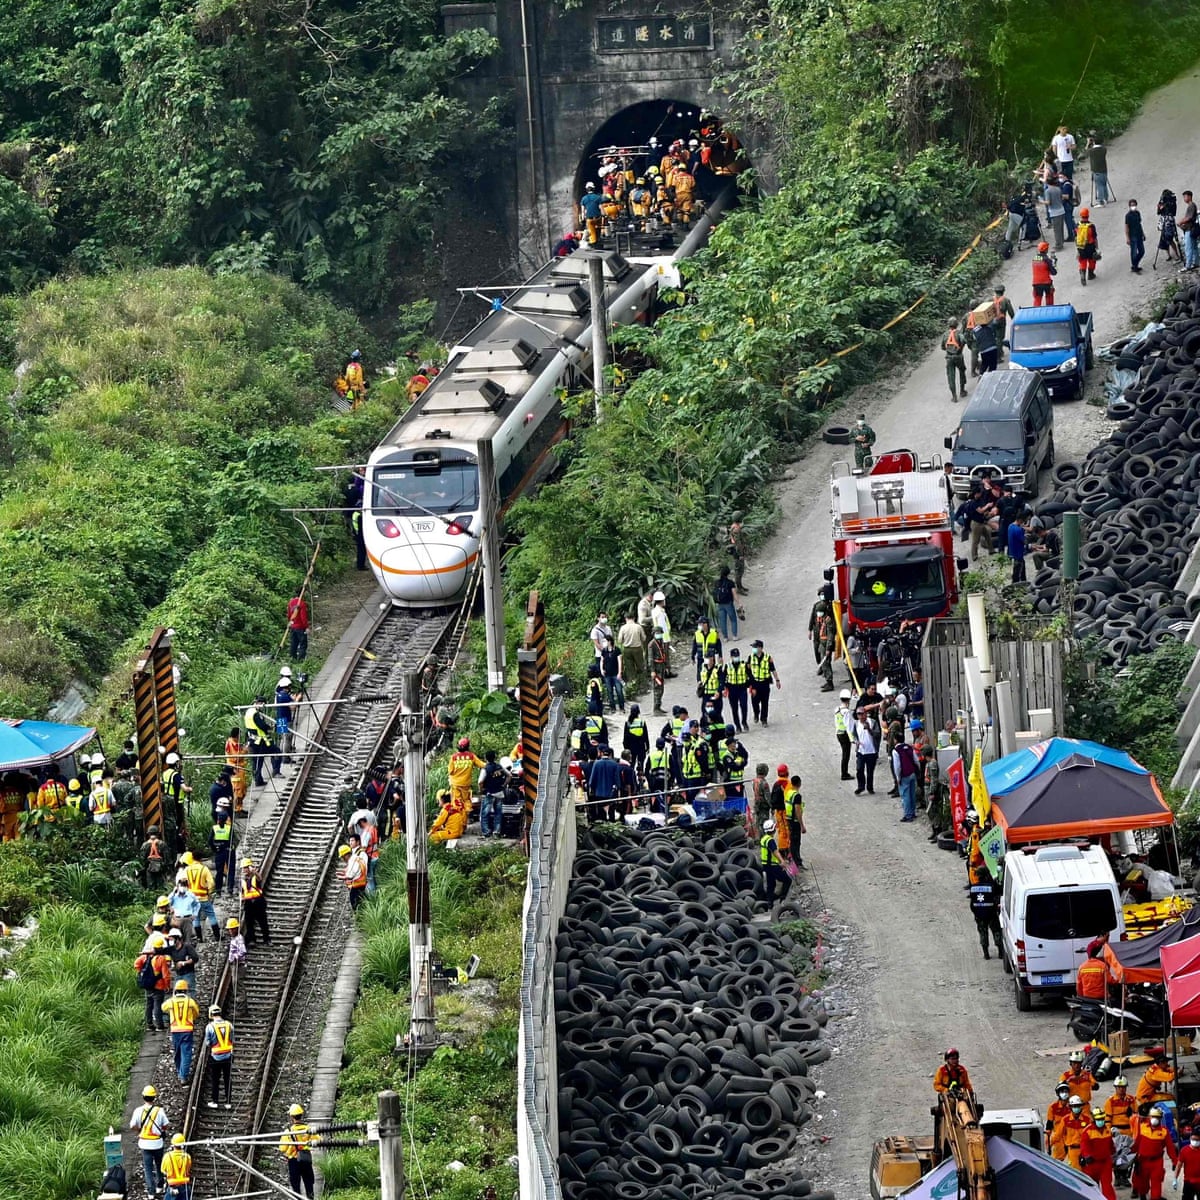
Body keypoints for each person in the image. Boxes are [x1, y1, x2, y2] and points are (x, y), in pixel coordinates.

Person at [132, 1085, 171, 1200]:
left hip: (144, 1143)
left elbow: (132, 1125)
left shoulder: (138, 1111)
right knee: (159, 1164)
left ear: (143, 1096)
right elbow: (166, 1125)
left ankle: (151, 1192)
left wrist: (139, 1131)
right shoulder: (159, 1111)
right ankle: (160, 1185)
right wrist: (161, 1130)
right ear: (154, 1097)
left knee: (148, 1169)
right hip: (157, 1143)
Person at [1131, 1106, 1176, 1200]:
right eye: (1153, 1117)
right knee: (1143, 1183)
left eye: (1156, 1117)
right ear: (1149, 1117)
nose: (1154, 1119)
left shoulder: (1164, 1132)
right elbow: (1137, 1143)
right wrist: (1130, 1154)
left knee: (1156, 1183)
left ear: (1160, 1118)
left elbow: (1170, 1147)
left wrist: (1174, 1160)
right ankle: (1142, 1195)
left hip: (1157, 1162)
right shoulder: (1143, 1128)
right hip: (1142, 1160)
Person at [162, 980, 199, 1083]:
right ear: (185, 990)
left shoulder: (171, 1001)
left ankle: (180, 1071)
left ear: (175, 990)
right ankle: (183, 1075)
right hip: (187, 1030)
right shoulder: (190, 1001)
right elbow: (196, 1013)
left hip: (175, 1031)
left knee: (177, 1052)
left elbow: (163, 1008)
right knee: (186, 1053)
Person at [280, 1103, 318, 1198]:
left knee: (295, 1185)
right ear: (301, 1115)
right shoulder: (308, 1129)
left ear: (291, 1117)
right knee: (309, 1182)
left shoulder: (288, 1131)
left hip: (294, 1161)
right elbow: (318, 1140)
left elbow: (282, 1148)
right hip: (306, 1158)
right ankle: (310, 1197)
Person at [183, 852, 219, 942]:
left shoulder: (187, 869)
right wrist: (209, 891)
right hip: (204, 898)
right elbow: (211, 883)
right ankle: (217, 936)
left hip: (193, 900)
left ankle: (199, 938)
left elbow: (183, 883)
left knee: (196, 918)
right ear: (201, 859)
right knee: (211, 916)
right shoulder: (204, 869)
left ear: (193, 858)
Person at [1081, 1109, 1117, 1200]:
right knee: (1092, 1187)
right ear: (1093, 1119)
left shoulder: (1107, 1130)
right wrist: (1087, 1156)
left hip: (1105, 1163)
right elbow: (1084, 1145)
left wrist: (1115, 1155)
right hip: (1092, 1164)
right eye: (1098, 1119)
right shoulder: (1087, 1131)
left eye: (1102, 1119)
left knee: (1107, 1186)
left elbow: (1111, 1146)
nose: (1100, 1121)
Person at [205, 1004, 235, 1109]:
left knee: (215, 1079)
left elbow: (208, 1043)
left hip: (215, 1057)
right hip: (228, 1056)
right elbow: (232, 1039)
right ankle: (228, 1102)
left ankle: (215, 1101)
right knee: (228, 1079)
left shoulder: (210, 1027)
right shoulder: (229, 1025)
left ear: (211, 1014)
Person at [968, 868, 1002, 959]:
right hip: (992, 914)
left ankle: (986, 954)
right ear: (987, 875)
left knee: (983, 933)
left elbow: (972, 904)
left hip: (979, 915)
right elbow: (999, 893)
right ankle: (1000, 952)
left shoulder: (973, 888)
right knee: (996, 932)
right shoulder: (991, 886)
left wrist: (976, 913)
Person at [747, 639, 781, 727]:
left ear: (760, 648)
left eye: (755, 647)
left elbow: (773, 669)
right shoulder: (750, 658)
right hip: (755, 683)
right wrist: (750, 684)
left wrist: (777, 680)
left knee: (765, 702)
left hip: (765, 683)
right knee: (754, 701)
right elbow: (748, 671)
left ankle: (764, 719)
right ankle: (756, 713)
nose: (753, 649)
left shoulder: (768, 657)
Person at [447, 737, 485, 810]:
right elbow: (482, 765)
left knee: (456, 801)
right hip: (466, 784)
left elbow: (450, 771)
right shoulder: (471, 756)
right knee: (466, 800)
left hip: (455, 784)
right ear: (468, 746)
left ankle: (459, 818)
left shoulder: (454, 757)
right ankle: (467, 816)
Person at [759, 820, 791, 905]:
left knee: (771, 884)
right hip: (772, 866)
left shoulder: (764, 839)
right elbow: (775, 852)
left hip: (766, 865)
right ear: (773, 829)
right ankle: (782, 899)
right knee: (787, 880)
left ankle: (770, 904)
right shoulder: (770, 840)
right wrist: (782, 861)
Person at [1059, 1095, 1095, 1171]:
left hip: (1085, 1150)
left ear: (1081, 1107)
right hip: (1072, 1151)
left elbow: (1093, 1136)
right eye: (1074, 1106)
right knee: (1075, 1173)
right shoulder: (1065, 1120)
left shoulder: (1087, 1119)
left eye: (1078, 1106)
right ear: (1070, 1107)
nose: (1076, 1108)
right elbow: (1058, 1134)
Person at [240, 857, 271, 945]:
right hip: (248, 903)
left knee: (263, 922)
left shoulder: (255, 877)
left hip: (258, 902)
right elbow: (242, 892)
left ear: (249, 867)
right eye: (243, 868)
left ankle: (267, 939)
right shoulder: (242, 880)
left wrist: (254, 872)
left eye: (245, 867)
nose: (244, 869)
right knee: (249, 923)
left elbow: (260, 878)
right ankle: (252, 940)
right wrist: (241, 898)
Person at [478, 750, 507, 838]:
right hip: (499, 793)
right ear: (495, 757)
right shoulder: (500, 766)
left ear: (486, 758)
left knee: (485, 814)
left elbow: (480, 781)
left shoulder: (485, 768)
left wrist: (481, 789)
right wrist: (504, 785)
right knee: (498, 813)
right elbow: (509, 775)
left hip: (489, 793)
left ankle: (486, 832)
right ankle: (496, 832)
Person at [852, 704, 880, 795]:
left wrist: (869, 729)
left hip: (871, 751)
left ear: (866, 714)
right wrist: (856, 741)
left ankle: (870, 787)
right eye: (858, 714)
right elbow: (854, 735)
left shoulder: (872, 722)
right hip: (861, 751)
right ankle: (861, 786)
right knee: (859, 769)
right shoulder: (856, 724)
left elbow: (877, 735)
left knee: (870, 771)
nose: (860, 716)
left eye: (862, 714)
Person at [892, 736, 919, 822]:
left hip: (904, 775)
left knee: (905, 795)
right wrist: (917, 770)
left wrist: (898, 777)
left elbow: (897, 766)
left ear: (895, 740)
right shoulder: (909, 747)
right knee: (912, 793)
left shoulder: (896, 750)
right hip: (912, 773)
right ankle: (913, 812)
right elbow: (916, 760)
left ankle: (908, 815)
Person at [616, 612, 647, 687]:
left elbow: (619, 640)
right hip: (637, 649)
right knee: (640, 666)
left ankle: (633, 683)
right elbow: (644, 638)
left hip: (627, 649)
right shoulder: (638, 627)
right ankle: (642, 683)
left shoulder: (623, 628)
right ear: (634, 618)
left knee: (630, 668)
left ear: (626, 618)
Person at [161, 1132, 193, 1200]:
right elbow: (188, 1169)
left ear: (173, 1144)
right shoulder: (187, 1156)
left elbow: (163, 1171)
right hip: (185, 1186)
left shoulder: (167, 1156)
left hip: (172, 1187)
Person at [942, 317, 967, 401]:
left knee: (951, 376)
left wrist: (948, 349)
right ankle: (962, 391)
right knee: (962, 371)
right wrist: (960, 348)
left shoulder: (945, 335)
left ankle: (954, 396)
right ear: (956, 324)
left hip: (949, 358)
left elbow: (942, 347)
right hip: (958, 356)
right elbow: (963, 340)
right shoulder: (959, 333)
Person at [1046, 1082, 1073, 1159]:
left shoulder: (1073, 1106)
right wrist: (1048, 1143)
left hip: (1071, 1136)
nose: (1064, 1093)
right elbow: (1049, 1125)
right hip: (1059, 1138)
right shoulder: (1053, 1107)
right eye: (1062, 1091)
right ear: (1058, 1093)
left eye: (1066, 1091)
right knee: (1057, 1162)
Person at [338, 841, 369, 909]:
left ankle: (358, 916)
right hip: (361, 884)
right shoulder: (356, 858)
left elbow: (351, 875)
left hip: (357, 886)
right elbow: (355, 872)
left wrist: (342, 877)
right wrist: (343, 873)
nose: (343, 859)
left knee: (355, 904)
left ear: (346, 854)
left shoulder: (352, 861)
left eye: (343, 857)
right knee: (361, 901)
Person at [1173, 1125, 1200, 1200]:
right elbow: (1178, 1165)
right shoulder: (1184, 1151)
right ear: (1190, 1138)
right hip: (1188, 1182)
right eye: (1193, 1139)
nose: (1195, 1141)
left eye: (1197, 1140)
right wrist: (1175, 1178)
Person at [712, 566, 739, 640]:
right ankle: (734, 636)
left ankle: (725, 637)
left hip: (720, 604)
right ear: (728, 573)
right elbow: (734, 594)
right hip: (728, 603)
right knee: (733, 619)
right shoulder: (730, 583)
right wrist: (739, 603)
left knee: (722, 621)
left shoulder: (717, 582)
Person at [599, 636, 625, 712]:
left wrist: (620, 672)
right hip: (607, 674)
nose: (604, 643)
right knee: (609, 691)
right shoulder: (604, 650)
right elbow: (602, 660)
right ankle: (612, 707)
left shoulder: (616, 650)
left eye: (605, 641)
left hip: (615, 673)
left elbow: (620, 661)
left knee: (619, 690)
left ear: (609, 641)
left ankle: (621, 706)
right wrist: (601, 669)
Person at [1086, 132, 1112, 204]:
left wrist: (1088, 143)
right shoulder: (1104, 149)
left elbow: (1086, 151)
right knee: (1104, 183)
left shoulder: (1092, 151)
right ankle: (1106, 198)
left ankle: (1100, 201)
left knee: (1099, 185)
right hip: (1104, 169)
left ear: (1094, 142)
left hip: (1096, 170)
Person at [1076, 207, 1099, 285]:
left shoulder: (1077, 225)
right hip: (1090, 246)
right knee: (1092, 260)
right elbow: (1095, 238)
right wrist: (1097, 248)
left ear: (1081, 215)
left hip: (1081, 247)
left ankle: (1082, 274)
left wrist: (1078, 248)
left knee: (1082, 261)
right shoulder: (1091, 226)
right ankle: (1091, 274)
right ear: (1088, 215)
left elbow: (1076, 237)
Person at [649, 629, 670, 715]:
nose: (659, 635)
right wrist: (652, 671)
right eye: (657, 633)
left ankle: (659, 706)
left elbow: (664, 654)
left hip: (661, 666)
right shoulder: (652, 644)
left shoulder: (661, 642)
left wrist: (667, 666)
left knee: (661, 688)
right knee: (657, 688)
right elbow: (650, 659)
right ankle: (655, 709)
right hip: (656, 668)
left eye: (660, 633)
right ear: (653, 634)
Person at [141, 824, 169, 889]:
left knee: (151, 888)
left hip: (149, 868)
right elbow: (167, 859)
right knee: (161, 888)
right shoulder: (162, 844)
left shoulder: (144, 845)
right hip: (160, 869)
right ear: (158, 833)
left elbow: (142, 859)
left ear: (148, 834)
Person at [623, 706, 649, 776]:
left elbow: (625, 737)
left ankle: (631, 779)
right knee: (641, 764)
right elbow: (646, 736)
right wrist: (648, 746)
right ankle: (641, 780)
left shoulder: (628, 723)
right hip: (641, 746)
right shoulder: (642, 722)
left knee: (631, 764)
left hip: (631, 747)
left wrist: (625, 748)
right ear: (638, 712)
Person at [1031, 241, 1057, 307]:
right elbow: (1054, 272)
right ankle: (1049, 311)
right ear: (1046, 250)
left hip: (1036, 284)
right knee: (1049, 298)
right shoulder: (1047, 260)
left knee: (1037, 299)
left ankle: (1036, 313)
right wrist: (1054, 263)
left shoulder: (1034, 259)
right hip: (1046, 283)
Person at [728, 512, 749, 592]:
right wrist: (741, 554)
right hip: (737, 551)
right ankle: (739, 588)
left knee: (740, 570)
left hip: (736, 550)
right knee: (739, 570)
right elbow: (738, 543)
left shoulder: (734, 526)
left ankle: (740, 586)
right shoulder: (736, 529)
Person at [579, 182, 605, 246]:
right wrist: (604, 214)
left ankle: (593, 242)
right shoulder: (598, 197)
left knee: (591, 231)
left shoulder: (583, 199)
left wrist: (582, 219)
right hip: (597, 218)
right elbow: (601, 208)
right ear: (593, 189)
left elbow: (583, 211)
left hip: (589, 219)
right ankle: (598, 239)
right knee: (598, 229)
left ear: (586, 189)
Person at [286, 593, 309, 660]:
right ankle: (301, 659)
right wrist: (306, 627)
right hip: (300, 627)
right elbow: (303, 617)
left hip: (293, 626)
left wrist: (290, 622)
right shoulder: (302, 603)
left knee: (293, 643)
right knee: (303, 644)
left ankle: (292, 658)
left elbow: (289, 615)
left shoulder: (290, 602)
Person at [1044, 176, 1066, 249]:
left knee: (1056, 229)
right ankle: (1061, 241)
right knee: (1061, 228)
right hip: (1061, 210)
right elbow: (1061, 198)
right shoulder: (1058, 189)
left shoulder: (1048, 191)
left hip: (1054, 212)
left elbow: (1048, 202)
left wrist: (1041, 201)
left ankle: (1058, 245)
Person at [1126, 199, 1146, 273]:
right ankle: (1135, 266)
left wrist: (1143, 234)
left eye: (1134, 205)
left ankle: (1135, 265)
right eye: (1131, 205)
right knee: (1134, 253)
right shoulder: (1128, 216)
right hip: (1132, 236)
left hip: (1139, 234)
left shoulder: (1137, 213)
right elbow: (1126, 227)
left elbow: (1139, 224)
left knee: (1142, 251)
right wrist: (1127, 238)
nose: (1133, 206)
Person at [1007, 513, 1028, 584]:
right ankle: (1018, 583)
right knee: (1018, 570)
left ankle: (1023, 581)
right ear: (1020, 520)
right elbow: (1024, 541)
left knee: (1019, 567)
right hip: (1019, 552)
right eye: (1023, 521)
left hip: (1012, 551)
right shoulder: (1018, 530)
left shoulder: (1010, 526)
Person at [1180, 190, 1198, 271]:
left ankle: (1188, 265)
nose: (1184, 198)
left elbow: (1189, 217)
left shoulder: (1191, 206)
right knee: (1194, 247)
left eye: (1185, 196)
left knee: (1188, 248)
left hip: (1190, 229)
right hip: (1192, 229)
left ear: (1189, 196)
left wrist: (1181, 222)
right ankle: (1196, 262)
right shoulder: (1192, 206)